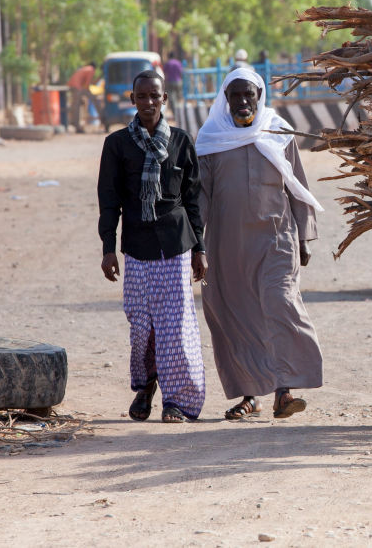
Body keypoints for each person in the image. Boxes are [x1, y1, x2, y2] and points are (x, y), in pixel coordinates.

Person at [195, 68, 324, 421]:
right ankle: (249, 396)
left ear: (259, 96)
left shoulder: (278, 132)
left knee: (281, 303)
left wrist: (304, 236)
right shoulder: (211, 138)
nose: (242, 101)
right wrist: (195, 246)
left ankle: (285, 389)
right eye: (235, 95)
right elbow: (201, 196)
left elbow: (297, 185)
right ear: (225, 99)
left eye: (248, 94)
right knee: (235, 316)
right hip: (227, 244)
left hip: (276, 239)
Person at [97, 70, 208, 423]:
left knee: (175, 327)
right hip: (137, 247)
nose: (148, 102)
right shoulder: (117, 144)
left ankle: (177, 400)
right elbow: (109, 201)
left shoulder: (181, 141)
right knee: (142, 325)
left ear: (164, 99)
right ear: (132, 100)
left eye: (154, 96)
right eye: (141, 96)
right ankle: (146, 387)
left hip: (176, 245)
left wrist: (200, 249)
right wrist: (108, 248)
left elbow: (192, 199)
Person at [67, 61, 97, 133]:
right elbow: (87, 84)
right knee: (76, 107)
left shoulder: (85, 68)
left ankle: (75, 124)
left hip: (73, 85)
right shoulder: (91, 69)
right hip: (77, 87)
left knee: (76, 106)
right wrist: (90, 94)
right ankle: (77, 126)